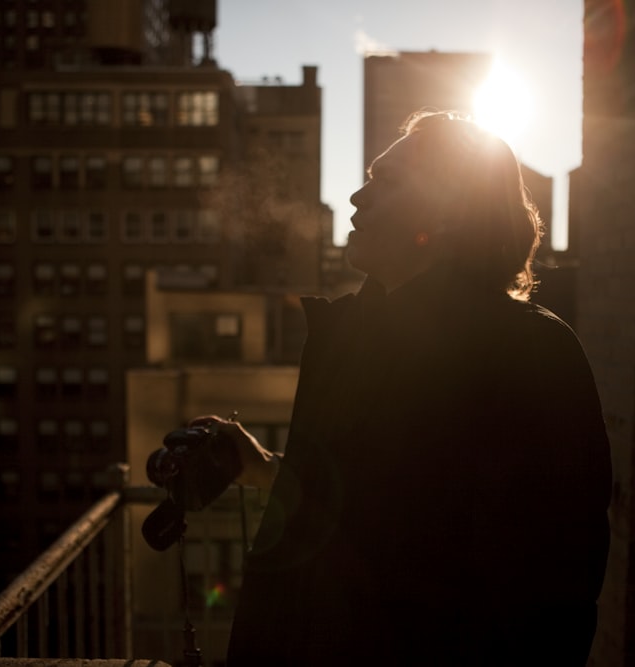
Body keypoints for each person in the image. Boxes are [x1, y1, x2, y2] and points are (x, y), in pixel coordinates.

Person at [191, 110, 612, 666]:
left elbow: (556, 583)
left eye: (386, 182)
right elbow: (375, 501)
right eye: (369, 178)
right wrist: (265, 468)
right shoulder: (351, 341)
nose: (357, 198)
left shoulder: (532, 352)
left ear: (449, 212)